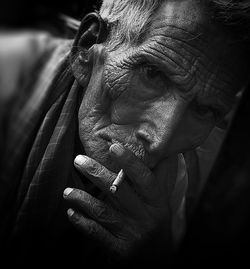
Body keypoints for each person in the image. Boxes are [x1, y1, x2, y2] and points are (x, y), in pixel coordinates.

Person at [0, 0, 249, 267]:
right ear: (88, 47)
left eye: (204, 111)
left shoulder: (179, 186)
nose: (160, 140)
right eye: (152, 74)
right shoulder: (8, 73)